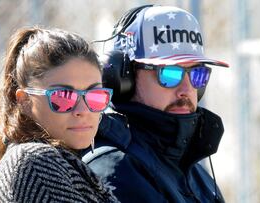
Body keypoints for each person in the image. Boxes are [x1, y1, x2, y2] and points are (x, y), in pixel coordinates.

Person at [81, 5, 229, 203]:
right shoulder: (114, 168)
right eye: (169, 73)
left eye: (197, 74)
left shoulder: (191, 169)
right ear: (124, 78)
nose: (186, 90)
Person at [0, 27, 118, 202]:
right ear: (24, 100)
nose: (83, 111)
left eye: (94, 96)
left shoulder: (56, 161)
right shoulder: (35, 164)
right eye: (63, 97)